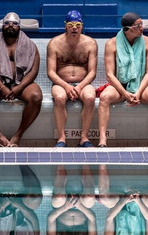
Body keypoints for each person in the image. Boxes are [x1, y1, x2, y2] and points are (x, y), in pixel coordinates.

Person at [98, 12, 148, 147]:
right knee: (104, 98)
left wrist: (137, 93)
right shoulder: (111, 44)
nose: (142, 27)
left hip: (140, 84)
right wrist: (125, 94)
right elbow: (110, 75)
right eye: (138, 25)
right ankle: (102, 140)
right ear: (129, 29)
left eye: (142, 24)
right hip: (119, 85)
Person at [0, 12, 42, 147]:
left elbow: (33, 71)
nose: (11, 26)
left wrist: (18, 88)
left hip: (22, 84)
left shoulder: (31, 45)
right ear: (2, 25)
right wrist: (2, 88)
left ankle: (17, 135)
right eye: (7, 23)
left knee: (36, 96)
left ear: (20, 27)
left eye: (15, 23)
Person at [47, 10, 98, 148]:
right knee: (59, 98)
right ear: (65, 26)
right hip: (61, 83)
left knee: (90, 98)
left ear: (82, 25)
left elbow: (92, 72)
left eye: (77, 24)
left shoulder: (90, 43)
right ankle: (61, 138)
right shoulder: (54, 43)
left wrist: (79, 87)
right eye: (70, 24)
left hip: (83, 83)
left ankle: (84, 138)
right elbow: (51, 72)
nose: (74, 28)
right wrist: (67, 87)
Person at [98, 164, 148, 235]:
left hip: (119, 203)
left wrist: (123, 201)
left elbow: (109, 218)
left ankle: (102, 162)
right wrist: (138, 201)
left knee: (103, 198)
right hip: (141, 204)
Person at [0, 165, 42, 234]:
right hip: (23, 205)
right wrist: (20, 205)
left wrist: (1, 206)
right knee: (35, 200)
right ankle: (23, 163)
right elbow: (34, 220)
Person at [47, 165, 96, 234]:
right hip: (82, 206)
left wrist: (66, 207)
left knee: (59, 198)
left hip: (62, 206)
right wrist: (79, 206)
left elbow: (50, 219)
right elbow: (92, 219)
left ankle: (61, 165)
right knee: (89, 197)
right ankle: (86, 165)